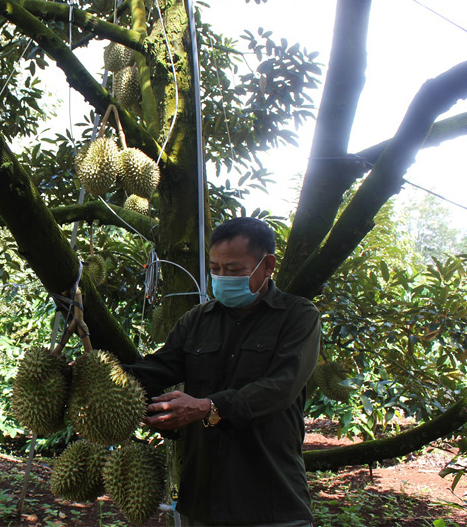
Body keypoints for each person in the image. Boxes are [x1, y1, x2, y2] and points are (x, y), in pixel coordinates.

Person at [125, 217, 321, 526]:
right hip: (203, 500)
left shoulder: (298, 316)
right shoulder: (197, 320)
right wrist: (97, 374)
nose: (221, 278)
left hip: (270, 501)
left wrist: (208, 406)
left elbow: (281, 386)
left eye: (233, 270)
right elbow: (159, 367)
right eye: (215, 269)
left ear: (267, 265)